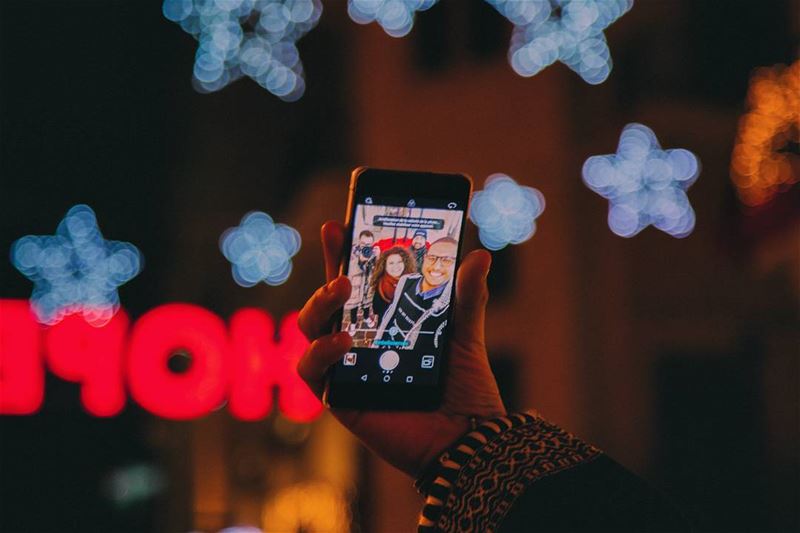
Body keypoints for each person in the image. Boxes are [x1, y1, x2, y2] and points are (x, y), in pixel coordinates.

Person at [297, 221, 690, 533]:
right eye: (398, 264)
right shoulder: (390, 293)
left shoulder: (425, 294)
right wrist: (464, 449)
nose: (417, 268)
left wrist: (470, 451)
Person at [374, 237, 457, 352]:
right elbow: (391, 313)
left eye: (447, 260)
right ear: (424, 258)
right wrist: (377, 344)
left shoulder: (452, 304)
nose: (437, 266)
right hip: (386, 346)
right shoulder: (406, 281)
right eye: (432, 258)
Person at [368, 245, 417, 325]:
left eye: (399, 262)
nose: (396, 266)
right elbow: (376, 309)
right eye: (391, 263)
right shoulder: (380, 284)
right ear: (385, 266)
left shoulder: (413, 282)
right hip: (385, 325)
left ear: (405, 263)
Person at [348, 229, 378, 333]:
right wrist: (359, 261)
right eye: (363, 243)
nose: (366, 246)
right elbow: (350, 271)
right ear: (359, 242)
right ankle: (352, 324)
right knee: (354, 308)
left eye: (369, 244)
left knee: (366, 305)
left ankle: (366, 317)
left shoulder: (373, 254)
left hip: (367, 287)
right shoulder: (352, 253)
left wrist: (378, 256)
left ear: (372, 244)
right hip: (356, 287)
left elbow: (379, 270)